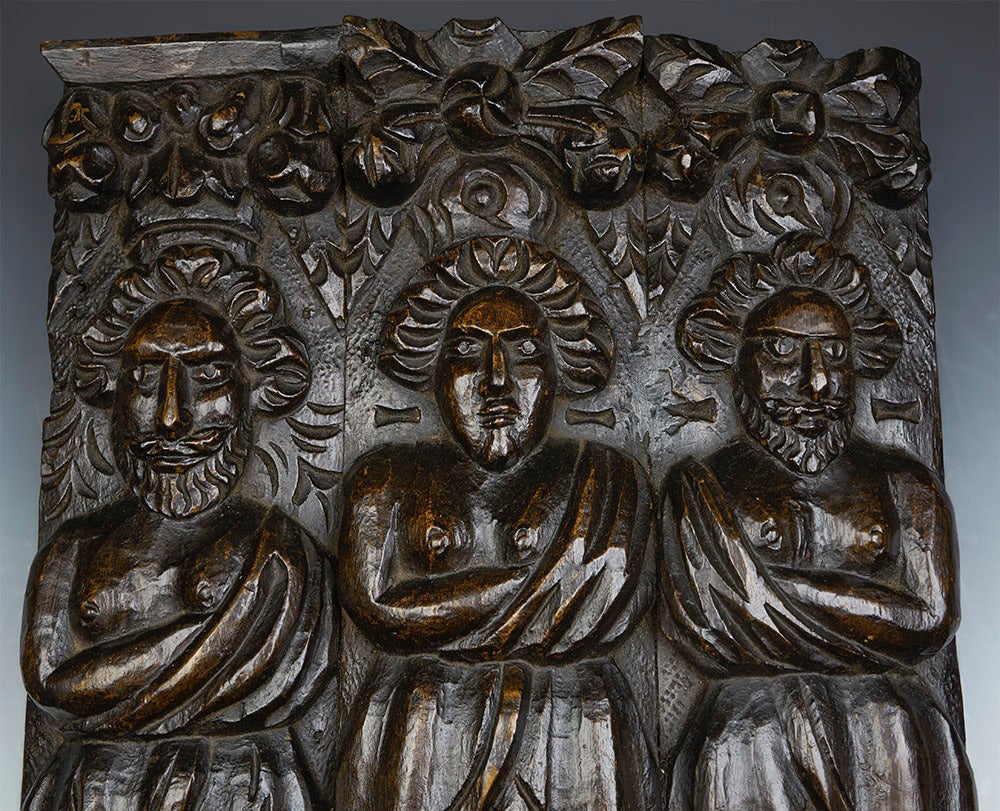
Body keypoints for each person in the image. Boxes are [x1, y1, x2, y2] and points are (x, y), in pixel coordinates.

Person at [336, 237, 659, 810]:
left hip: (576, 727)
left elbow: (617, 604)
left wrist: (438, 608)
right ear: (431, 368)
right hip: (421, 723)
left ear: (562, 368)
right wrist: (533, 590)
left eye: (524, 353)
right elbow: (374, 609)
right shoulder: (383, 478)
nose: (495, 380)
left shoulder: (608, 480)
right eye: (466, 350)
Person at [662, 232, 976, 810]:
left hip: (890, 730)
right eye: (783, 355)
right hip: (744, 736)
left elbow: (931, 619)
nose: (817, 383)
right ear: (738, 362)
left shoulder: (904, 484)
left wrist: (768, 592)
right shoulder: (701, 488)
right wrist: (870, 614)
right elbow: (705, 627)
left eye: (834, 355)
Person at [21, 245, 336, 811]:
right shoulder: (75, 547)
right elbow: (48, 686)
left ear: (251, 390)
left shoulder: (281, 553)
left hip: (243, 786)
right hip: (93, 790)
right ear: (112, 395)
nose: (172, 417)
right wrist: (206, 634)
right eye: (145, 378)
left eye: (208, 374)